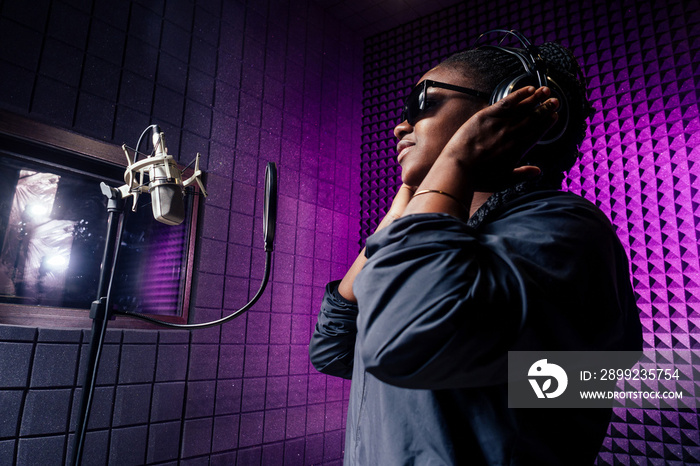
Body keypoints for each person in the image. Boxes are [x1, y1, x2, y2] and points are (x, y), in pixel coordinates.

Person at [309, 30, 642, 465]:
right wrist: (400, 215)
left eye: (422, 104)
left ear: (504, 105)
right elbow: (334, 348)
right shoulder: (436, 235)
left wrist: (456, 163)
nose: (401, 125)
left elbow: (404, 343)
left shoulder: (563, 230)